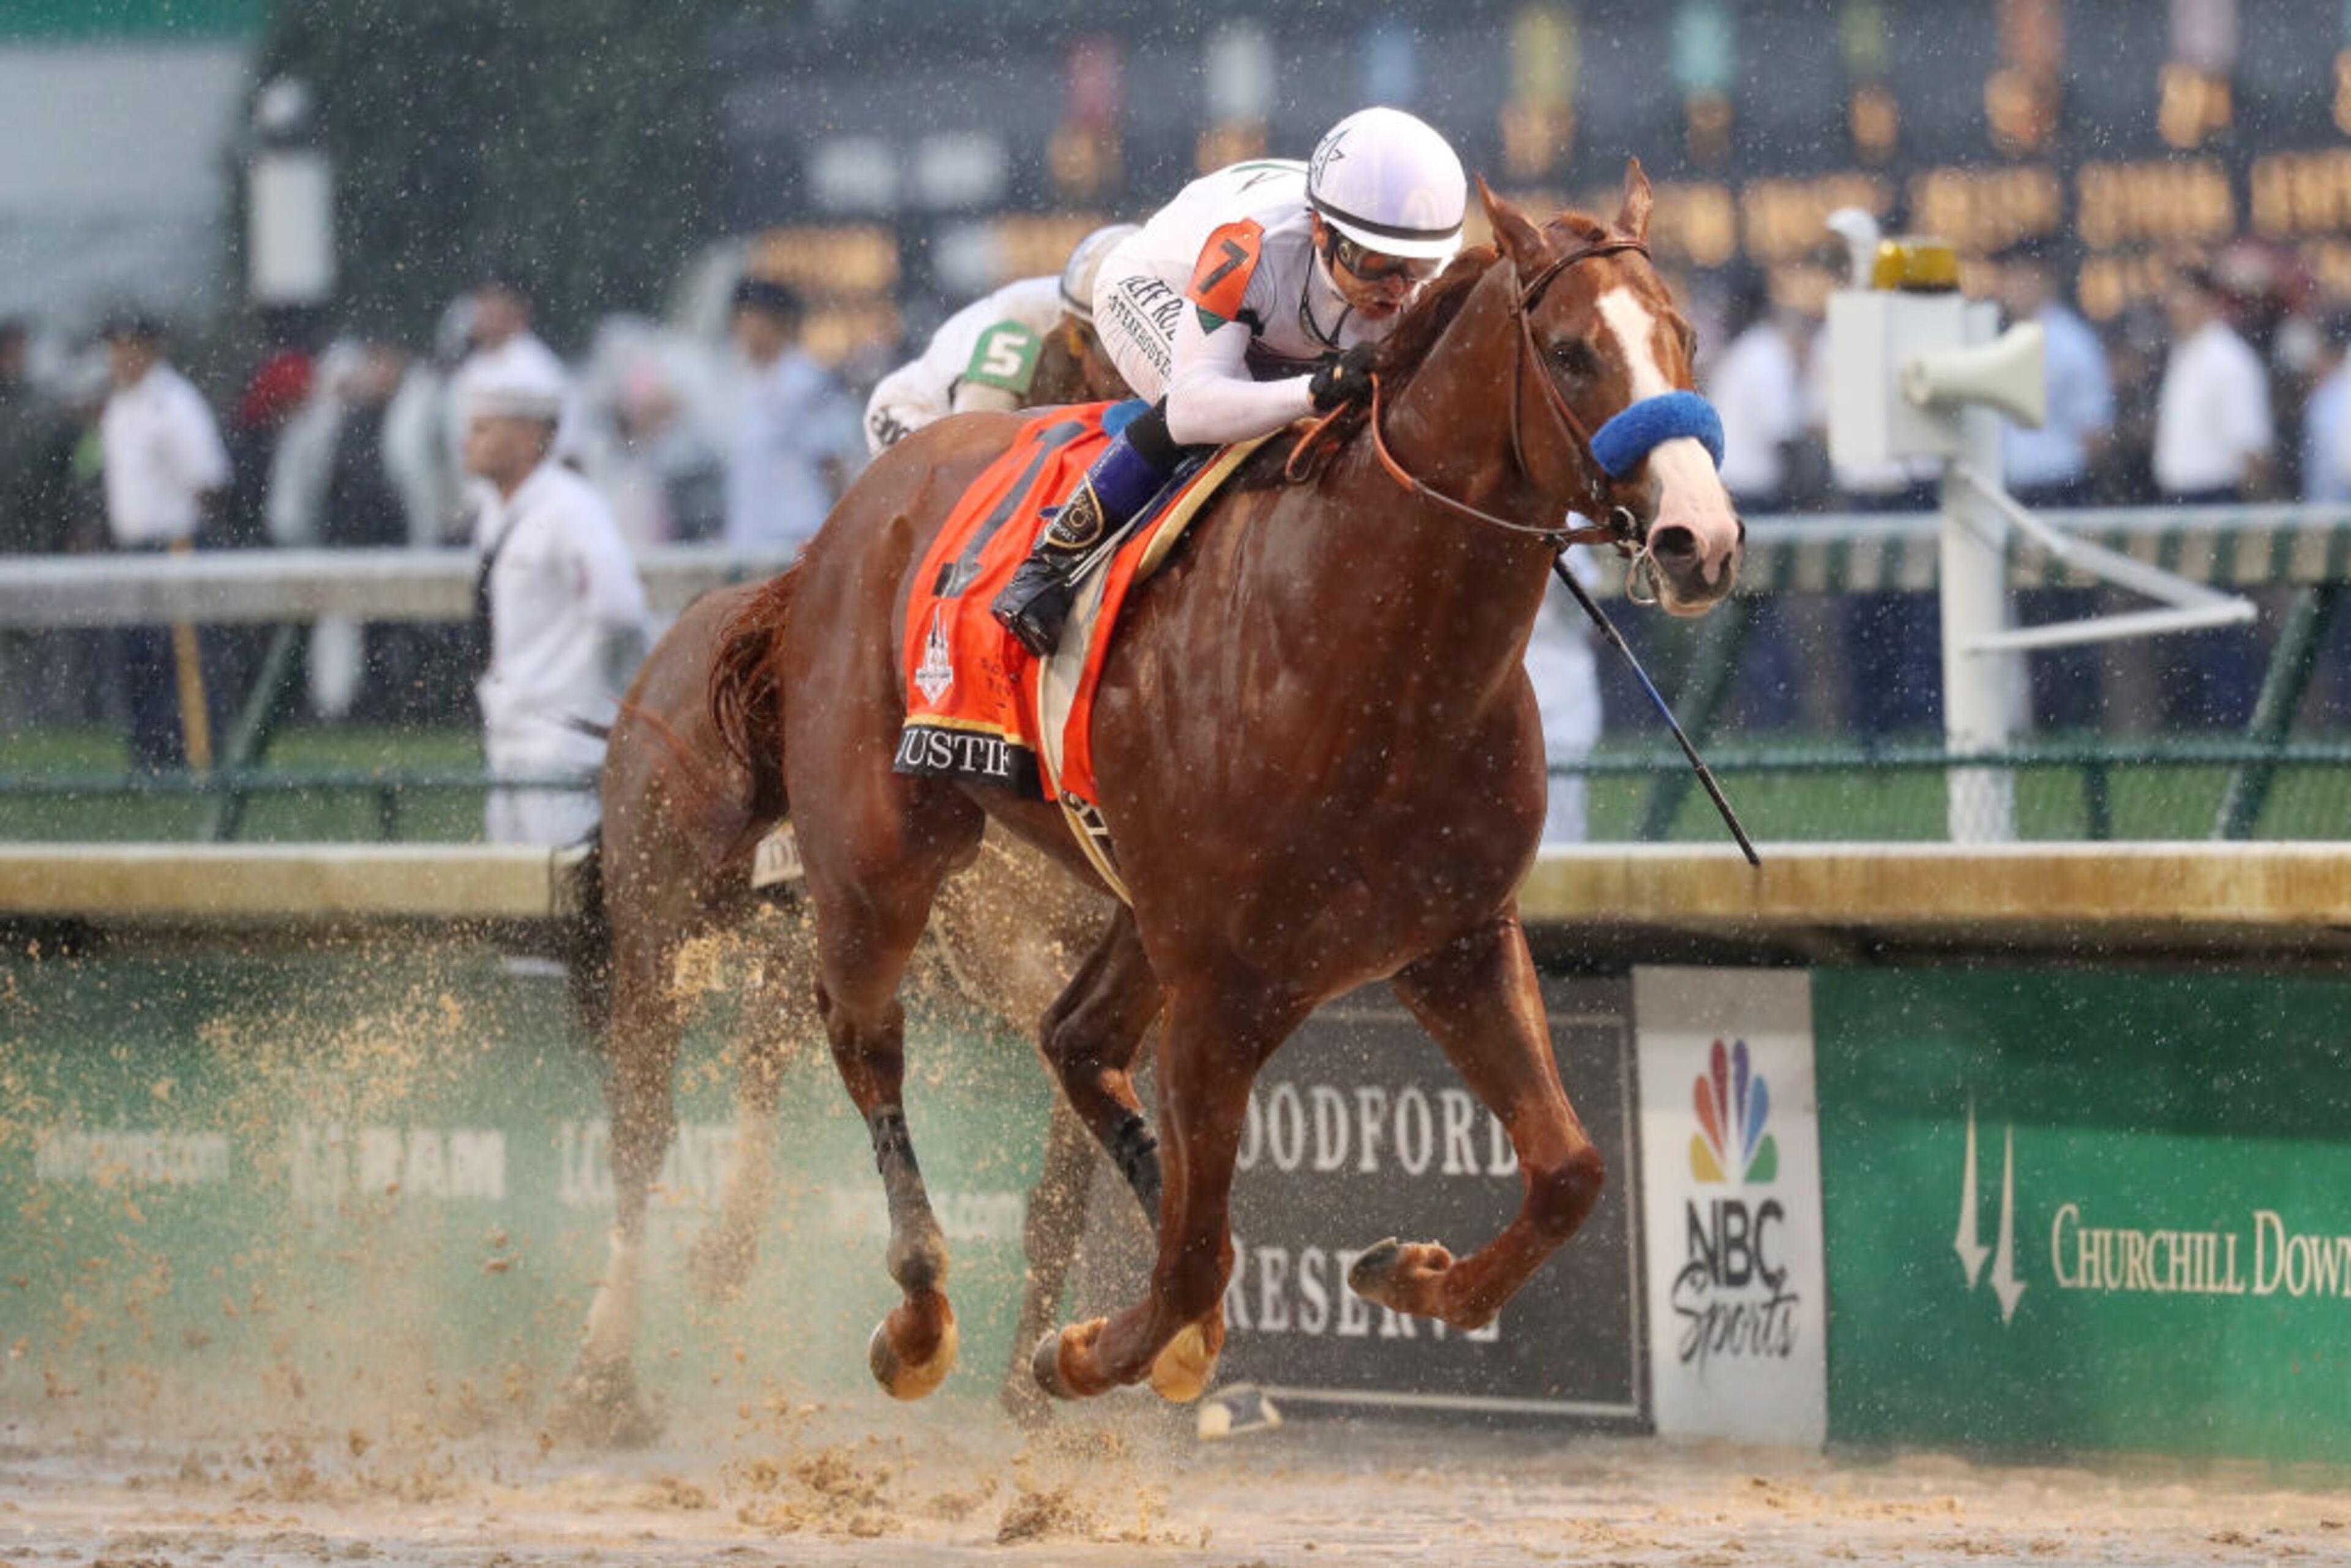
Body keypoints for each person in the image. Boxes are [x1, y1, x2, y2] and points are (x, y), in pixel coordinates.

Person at [991, 105, 1467, 655]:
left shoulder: (1409, 285)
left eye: (1418, 267)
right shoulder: (1249, 245)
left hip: (1274, 326)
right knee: (1224, 420)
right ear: (1320, 228)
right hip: (1156, 289)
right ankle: (1048, 563)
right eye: (1374, 262)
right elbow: (1196, 405)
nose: (1397, 290)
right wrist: (1312, 391)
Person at [464, 348, 648, 846]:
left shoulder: (570, 506)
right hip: (511, 731)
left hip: (561, 736)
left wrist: (583, 686)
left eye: (485, 429)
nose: (470, 442)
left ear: (529, 436)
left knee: (565, 896)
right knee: (512, 898)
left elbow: (619, 607)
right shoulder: (498, 510)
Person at [863, 223, 1140, 456]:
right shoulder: (1020, 326)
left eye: (1146, 356)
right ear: (1074, 331)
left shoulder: (1082, 318)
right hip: (920, 414)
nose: (1132, 379)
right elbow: (977, 452)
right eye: (1115, 355)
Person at [97, 312, 231, 771]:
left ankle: (197, 756)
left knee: (185, 657)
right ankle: (152, 756)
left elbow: (209, 479)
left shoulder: (174, 402)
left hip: (175, 543)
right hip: (134, 549)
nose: (119, 358)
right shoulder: (120, 404)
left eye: (128, 347)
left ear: (151, 349)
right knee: (141, 659)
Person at [722, 277, 864, 553]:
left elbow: (832, 462)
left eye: (753, 318)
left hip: (797, 534)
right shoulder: (741, 383)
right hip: (750, 536)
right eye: (740, 319)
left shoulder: (807, 383)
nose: (745, 329)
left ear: (779, 322)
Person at [2151, 263, 2273, 504]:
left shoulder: (2229, 360)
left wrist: (2253, 511)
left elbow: (2251, 448)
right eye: (2172, 296)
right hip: (2179, 495)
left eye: (2184, 296)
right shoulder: (2183, 352)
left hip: (2216, 497)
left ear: (2208, 301)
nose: (2174, 307)